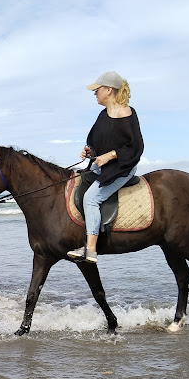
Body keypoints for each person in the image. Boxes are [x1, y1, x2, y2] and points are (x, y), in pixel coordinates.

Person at [67, 71, 144, 263]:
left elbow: (135, 147)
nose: (95, 93)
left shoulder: (128, 113)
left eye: (97, 90)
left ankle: (91, 249)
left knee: (91, 199)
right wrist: (89, 152)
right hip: (101, 166)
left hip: (122, 168)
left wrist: (111, 155)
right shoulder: (103, 115)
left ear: (109, 90)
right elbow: (96, 143)